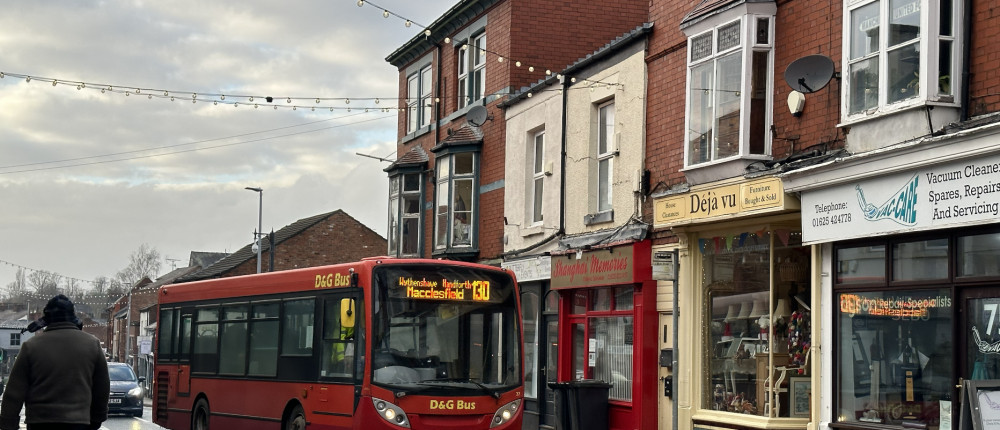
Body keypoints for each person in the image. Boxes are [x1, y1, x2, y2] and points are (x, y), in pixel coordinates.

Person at [0, 295, 110, 430]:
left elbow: (14, 391)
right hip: (78, 422)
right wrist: (96, 418)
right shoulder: (92, 344)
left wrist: (8, 423)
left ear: (46, 320)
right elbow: (102, 387)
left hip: (40, 422)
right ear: (73, 317)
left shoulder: (31, 346)